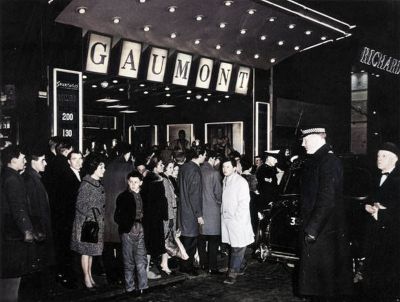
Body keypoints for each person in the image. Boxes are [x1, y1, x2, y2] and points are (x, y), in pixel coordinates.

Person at [298, 126, 353, 301]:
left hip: (324, 232)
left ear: (316, 138)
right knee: (317, 284)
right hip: (319, 230)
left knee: (325, 285)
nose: (303, 143)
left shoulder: (329, 162)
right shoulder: (317, 160)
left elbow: (327, 200)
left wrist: (312, 229)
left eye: (305, 139)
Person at [363, 142, 400, 301]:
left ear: (394, 159)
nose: (379, 159)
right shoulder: (375, 177)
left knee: (388, 272)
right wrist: (367, 206)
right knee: (374, 269)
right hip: (375, 232)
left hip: (392, 234)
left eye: (383, 156)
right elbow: (371, 198)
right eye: (378, 155)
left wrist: (380, 212)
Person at [0, 146, 34, 302]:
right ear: (13, 160)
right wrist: (27, 229)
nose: (25, 161)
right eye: (23, 158)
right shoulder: (13, 179)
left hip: (7, 232)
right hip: (13, 235)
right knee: (12, 275)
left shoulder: (6, 176)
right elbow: (18, 207)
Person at [21, 147, 55, 299]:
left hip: (41, 228)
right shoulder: (30, 180)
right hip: (39, 229)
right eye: (43, 160)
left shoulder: (35, 178)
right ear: (33, 162)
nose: (46, 163)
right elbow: (33, 208)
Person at [70, 154, 106, 290]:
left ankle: (90, 276)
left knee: (90, 252)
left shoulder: (95, 182)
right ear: (94, 168)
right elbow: (80, 205)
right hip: (87, 223)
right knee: (86, 252)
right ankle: (86, 278)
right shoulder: (87, 184)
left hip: (93, 223)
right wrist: (94, 214)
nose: (104, 169)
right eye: (101, 167)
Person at [102, 142, 134, 283]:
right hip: (122, 211)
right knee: (123, 245)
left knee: (108, 245)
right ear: (127, 154)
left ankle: (111, 276)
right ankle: (121, 275)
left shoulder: (107, 167)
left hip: (107, 210)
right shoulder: (128, 167)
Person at [221, 158, 254, 285]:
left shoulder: (241, 182)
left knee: (237, 247)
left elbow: (244, 203)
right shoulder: (225, 180)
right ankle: (242, 265)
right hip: (228, 220)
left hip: (238, 221)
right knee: (236, 245)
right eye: (223, 167)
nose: (225, 169)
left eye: (228, 167)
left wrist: (236, 218)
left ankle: (232, 274)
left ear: (235, 168)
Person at [114, 171, 148, 294]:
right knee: (128, 260)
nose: (133, 185)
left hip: (140, 228)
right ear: (128, 182)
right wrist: (126, 226)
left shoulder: (144, 196)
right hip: (128, 230)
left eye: (136, 182)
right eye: (131, 182)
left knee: (141, 258)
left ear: (141, 183)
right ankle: (130, 287)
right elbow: (116, 216)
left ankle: (143, 286)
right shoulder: (123, 197)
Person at [178, 146, 207, 275]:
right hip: (191, 211)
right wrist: (199, 214)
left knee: (186, 240)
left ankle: (185, 265)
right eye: (204, 154)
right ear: (200, 154)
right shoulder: (195, 171)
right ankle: (187, 267)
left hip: (183, 208)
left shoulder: (184, 167)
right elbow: (194, 194)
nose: (205, 157)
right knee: (191, 240)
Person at [141, 158, 168, 279]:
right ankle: (146, 271)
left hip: (146, 217)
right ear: (155, 168)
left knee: (147, 244)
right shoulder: (158, 181)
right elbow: (163, 201)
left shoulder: (145, 181)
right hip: (155, 219)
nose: (162, 167)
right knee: (152, 246)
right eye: (160, 165)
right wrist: (165, 216)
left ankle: (145, 270)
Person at [198, 150, 223, 275]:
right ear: (213, 159)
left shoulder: (199, 170)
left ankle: (203, 264)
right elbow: (218, 194)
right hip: (212, 212)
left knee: (202, 239)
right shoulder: (214, 173)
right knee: (213, 241)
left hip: (200, 211)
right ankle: (212, 267)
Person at [160, 161, 178, 274]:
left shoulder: (168, 179)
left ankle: (165, 263)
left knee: (167, 240)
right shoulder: (165, 181)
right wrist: (171, 218)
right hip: (169, 214)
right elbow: (167, 201)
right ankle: (164, 264)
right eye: (170, 167)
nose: (172, 169)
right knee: (167, 240)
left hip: (171, 213)